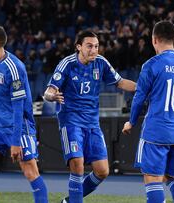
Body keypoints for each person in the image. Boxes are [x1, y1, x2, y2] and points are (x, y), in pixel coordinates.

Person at [44, 30, 136, 203]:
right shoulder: (67, 64)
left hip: (92, 124)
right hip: (70, 122)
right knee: (77, 166)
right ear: (78, 47)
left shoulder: (101, 63)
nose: (94, 50)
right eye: (89, 46)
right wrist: (52, 96)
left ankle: (69, 201)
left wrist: (142, 88)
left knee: (102, 171)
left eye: (96, 46)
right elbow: (48, 92)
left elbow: (121, 82)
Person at [122, 20, 174, 203]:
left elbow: (139, 97)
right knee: (172, 177)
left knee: (152, 178)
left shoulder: (152, 64)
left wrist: (131, 121)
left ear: (154, 39)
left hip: (156, 130)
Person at [0, 25, 48, 203]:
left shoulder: (14, 68)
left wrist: (16, 142)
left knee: (30, 172)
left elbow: (18, 108)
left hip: (18, 127)